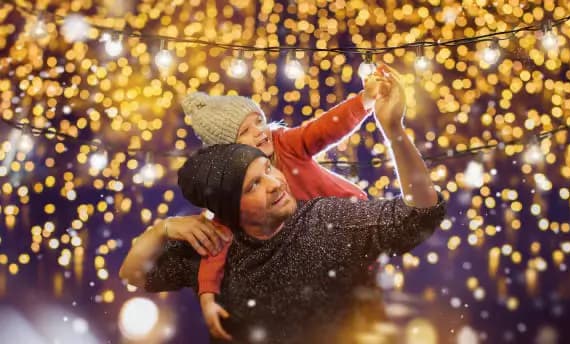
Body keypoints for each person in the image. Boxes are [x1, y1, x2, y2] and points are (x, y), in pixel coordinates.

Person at [119, 68, 447, 343]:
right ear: (229, 200)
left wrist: (388, 126)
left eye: (269, 171)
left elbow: (418, 216)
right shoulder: (219, 240)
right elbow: (134, 274)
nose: (276, 183)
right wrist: (160, 230)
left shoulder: (326, 218)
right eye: (253, 184)